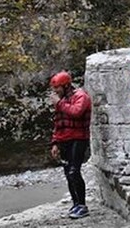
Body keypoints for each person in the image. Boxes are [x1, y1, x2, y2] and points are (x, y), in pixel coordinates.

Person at [50, 71, 92, 220]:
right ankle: (75, 203)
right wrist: (55, 143)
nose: (55, 91)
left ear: (66, 85)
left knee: (74, 171)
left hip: (78, 139)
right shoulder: (61, 101)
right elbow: (58, 124)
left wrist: (60, 104)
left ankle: (82, 205)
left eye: (58, 88)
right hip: (64, 140)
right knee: (68, 173)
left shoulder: (81, 96)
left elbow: (77, 112)